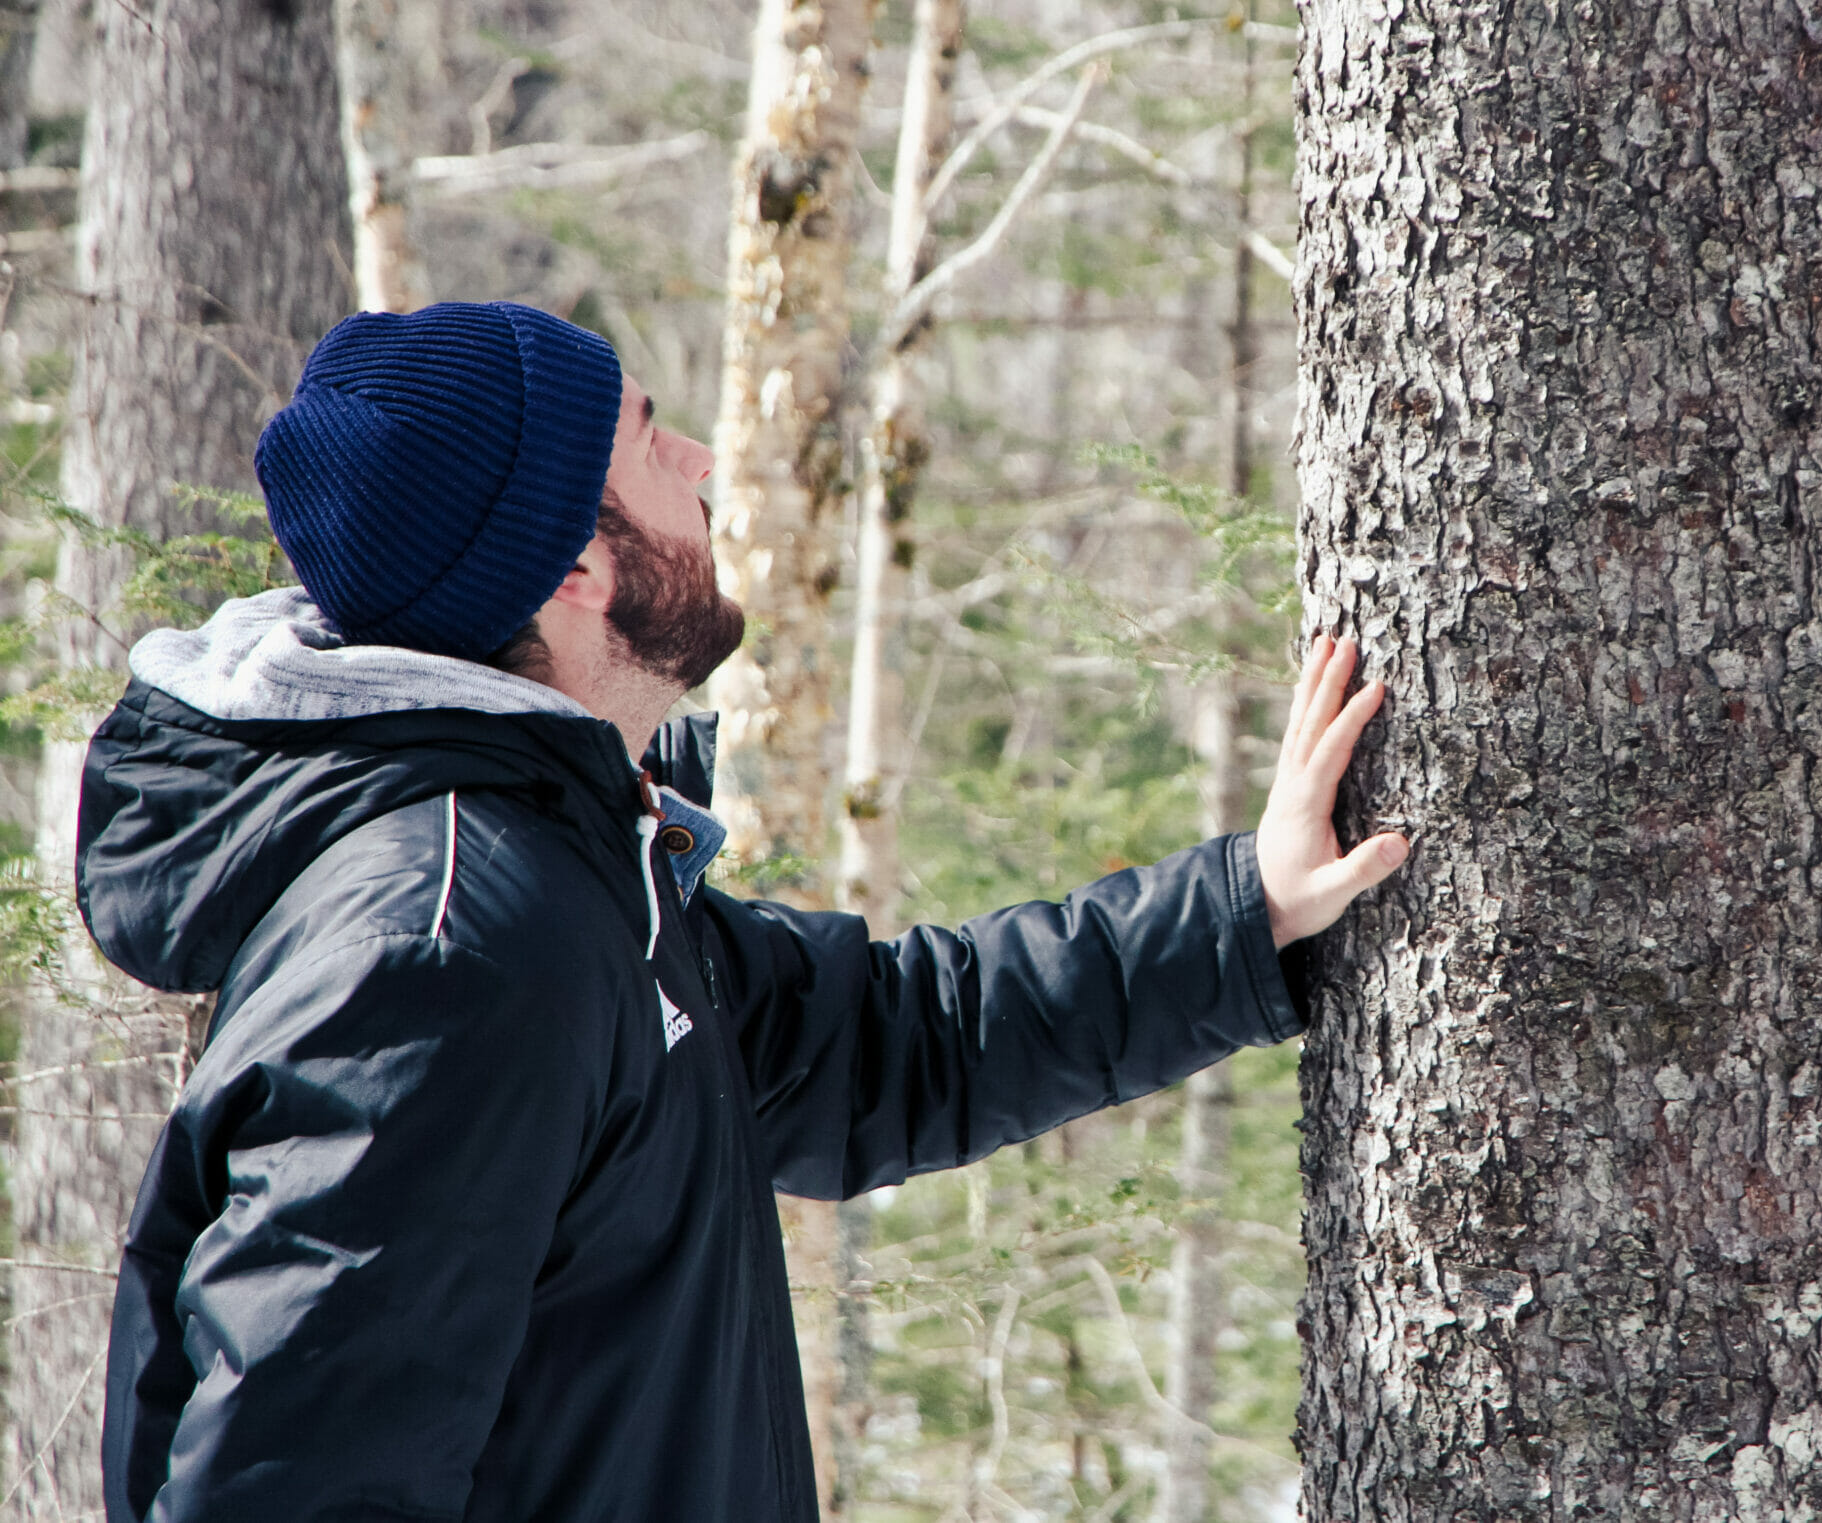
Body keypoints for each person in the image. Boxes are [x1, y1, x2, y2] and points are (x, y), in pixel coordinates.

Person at [85, 301, 1408, 1523]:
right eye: (653, 442)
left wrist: (1248, 909)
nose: (707, 459)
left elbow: (878, 1045)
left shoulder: (549, 863)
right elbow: (290, 1489)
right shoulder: (452, 948)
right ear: (577, 572)